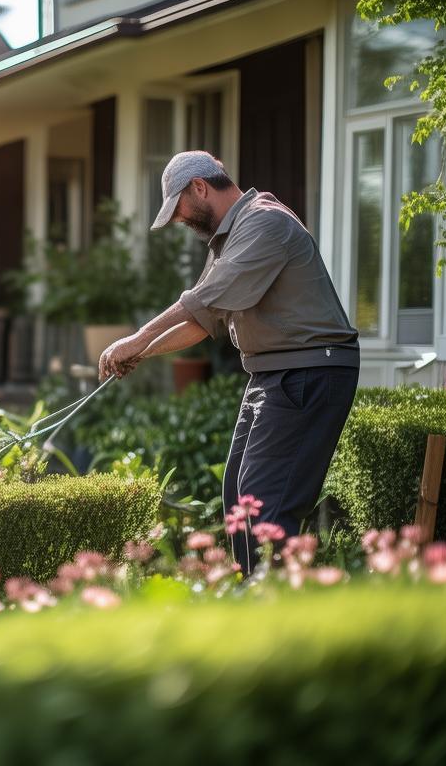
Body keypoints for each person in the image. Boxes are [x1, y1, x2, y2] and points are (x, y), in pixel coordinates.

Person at [98, 150, 359, 574]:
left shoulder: (264, 222)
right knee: (240, 498)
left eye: (178, 208)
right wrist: (139, 355)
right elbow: (202, 320)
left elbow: (202, 298)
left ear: (199, 187)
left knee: (264, 504)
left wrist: (139, 336)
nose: (180, 219)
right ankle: (254, 594)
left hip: (311, 371)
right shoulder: (230, 237)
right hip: (272, 373)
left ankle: (273, 607)